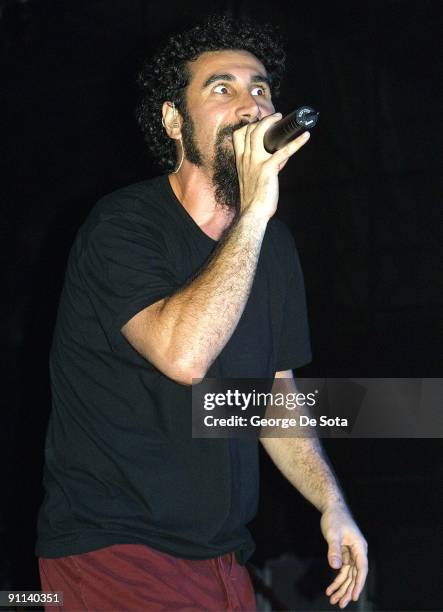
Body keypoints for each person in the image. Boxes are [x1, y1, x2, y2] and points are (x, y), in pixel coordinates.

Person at [36, 14, 368, 611]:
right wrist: (254, 214)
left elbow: (269, 396)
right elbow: (184, 355)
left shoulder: (271, 244)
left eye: (260, 88)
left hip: (222, 558)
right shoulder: (123, 225)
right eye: (223, 88)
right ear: (173, 120)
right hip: (116, 555)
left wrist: (331, 502)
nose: (249, 105)